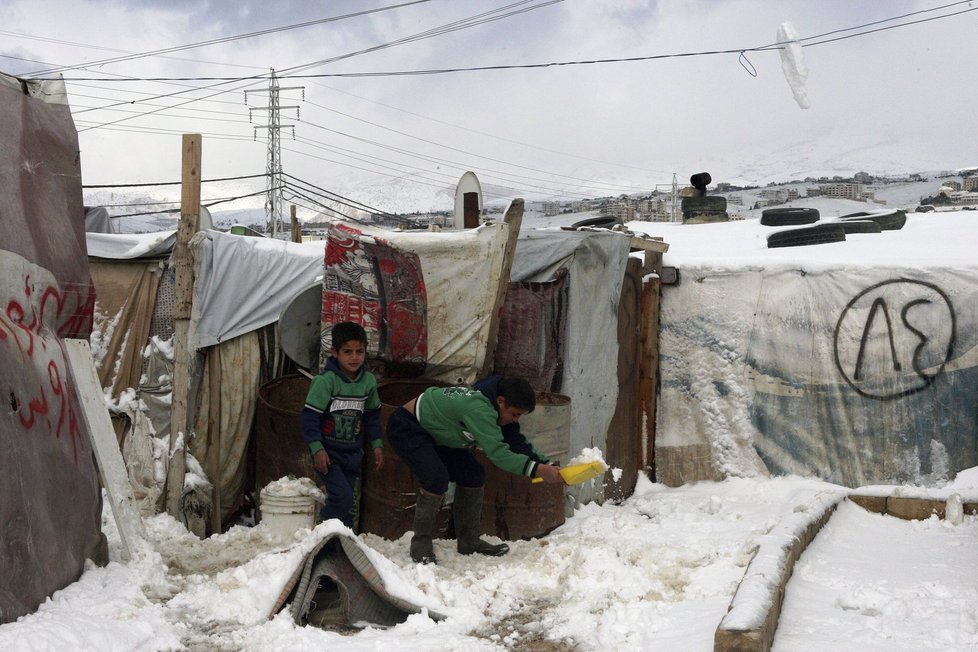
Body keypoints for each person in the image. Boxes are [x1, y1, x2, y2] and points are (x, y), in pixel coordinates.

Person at [386, 376, 564, 564]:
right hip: (408, 427)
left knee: (473, 474)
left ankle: (469, 541)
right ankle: (420, 544)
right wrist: (537, 470)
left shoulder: (495, 402)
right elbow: (498, 454)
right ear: (500, 401)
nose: (515, 420)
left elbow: (515, 442)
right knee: (436, 478)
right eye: (514, 414)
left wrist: (547, 464)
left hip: (437, 432)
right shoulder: (479, 408)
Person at [300, 321, 384, 527]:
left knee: (349, 503)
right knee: (342, 497)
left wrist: (377, 444)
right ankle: (324, 534)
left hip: (353, 453)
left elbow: (372, 416)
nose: (354, 357)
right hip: (329, 454)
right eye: (348, 352)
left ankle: (342, 541)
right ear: (335, 352)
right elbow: (309, 417)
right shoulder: (326, 381)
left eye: (359, 351)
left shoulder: (368, 382)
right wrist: (317, 449)